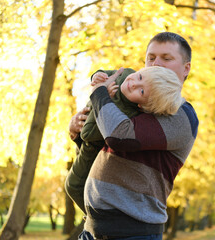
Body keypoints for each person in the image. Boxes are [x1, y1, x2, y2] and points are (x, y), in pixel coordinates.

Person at [69, 32, 199, 240]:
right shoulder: (134, 101)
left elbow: (118, 135)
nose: (156, 64)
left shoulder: (181, 115)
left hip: (131, 233)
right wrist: (78, 132)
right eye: (151, 58)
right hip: (94, 230)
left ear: (186, 68)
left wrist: (99, 94)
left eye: (166, 58)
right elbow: (104, 152)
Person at [65, 66, 183, 213]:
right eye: (140, 77)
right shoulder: (127, 74)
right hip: (83, 135)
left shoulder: (129, 114)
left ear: (142, 105)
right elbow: (104, 73)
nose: (133, 83)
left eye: (141, 91)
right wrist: (98, 77)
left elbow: (88, 134)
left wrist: (102, 97)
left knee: (73, 185)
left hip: (92, 148)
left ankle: (93, 218)